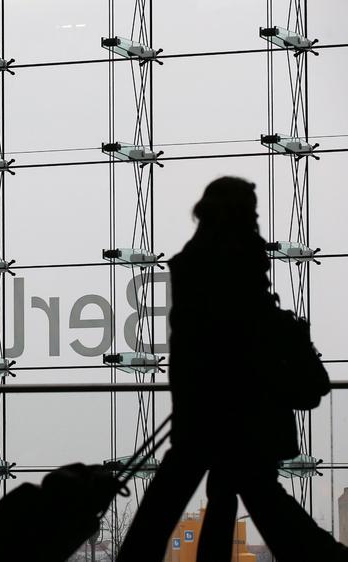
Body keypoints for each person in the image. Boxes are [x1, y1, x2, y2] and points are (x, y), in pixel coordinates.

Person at [117, 177, 348, 561]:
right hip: (241, 409)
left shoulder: (196, 263)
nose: (257, 216)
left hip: (206, 407)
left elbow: (197, 344)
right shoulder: (238, 261)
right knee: (254, 496)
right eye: (252, 209)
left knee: (184, 499)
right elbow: (245, 336)